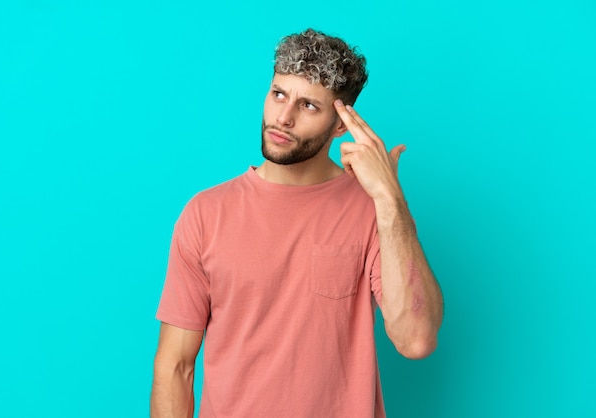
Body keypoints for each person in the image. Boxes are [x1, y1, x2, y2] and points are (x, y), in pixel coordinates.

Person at [150, 28, 443, 418]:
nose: (283, 118)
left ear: (340, 125)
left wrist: (389, 197)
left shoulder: (374, 213)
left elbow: (417, 339)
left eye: (308, 106)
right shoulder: (206, 214)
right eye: (278, 95)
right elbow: (175, 367)